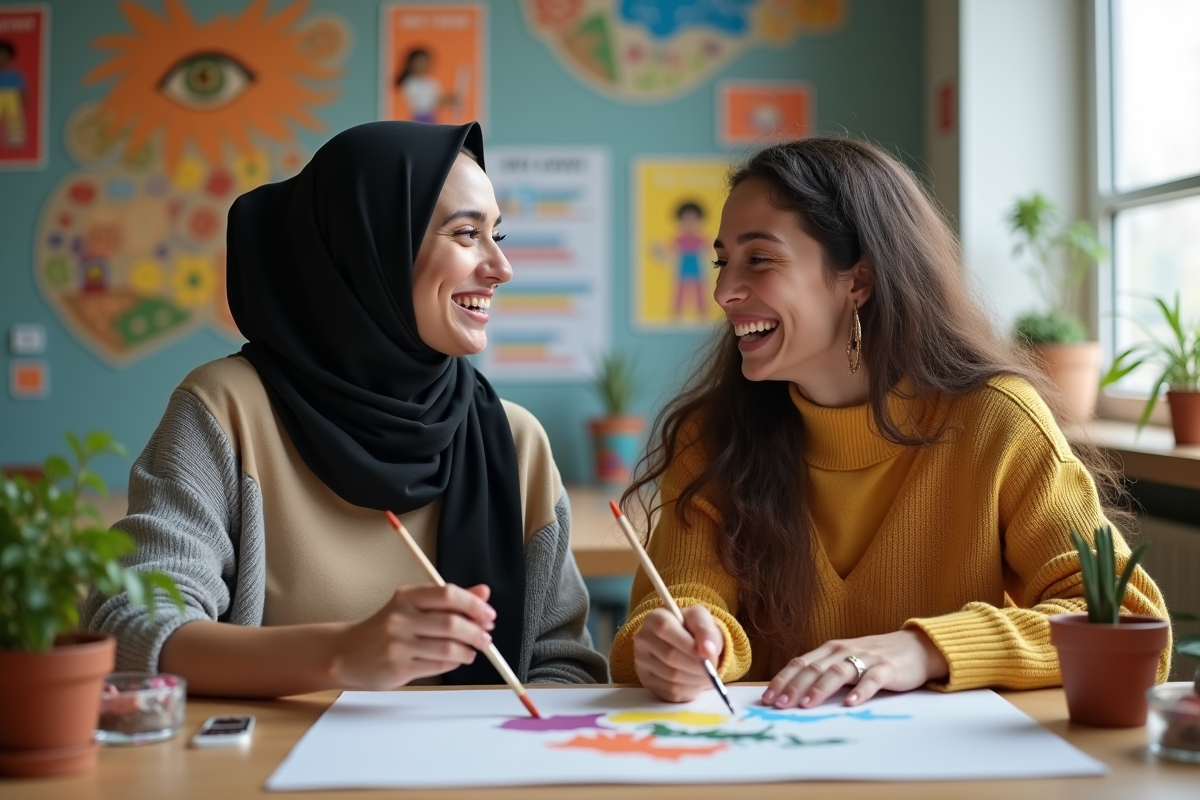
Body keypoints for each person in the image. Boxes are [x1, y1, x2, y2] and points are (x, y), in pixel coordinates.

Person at [609, 137, 1170, 708]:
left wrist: (924, 649)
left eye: (760, 259)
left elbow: (1122, 619)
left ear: (858, 280)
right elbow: (681, 596)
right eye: (723, 261)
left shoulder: (997, 422)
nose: (724, 291)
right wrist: (680, 646)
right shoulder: (710, 436)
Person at [84, 121, 607, 697]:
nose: (501, 268)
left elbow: (565, 670)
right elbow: (131, 627)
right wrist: (339, 655)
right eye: (465, 234)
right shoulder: (227, 409)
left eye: (497, 236)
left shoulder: (515, 441)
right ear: (372, 247)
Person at [395, 48, 456, 124]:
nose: (421, 65)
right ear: (410, 64)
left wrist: (449, 100)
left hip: (434, 118)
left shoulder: (432, 82)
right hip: (419, 118)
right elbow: (424, 103)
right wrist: (444, 101)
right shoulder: (409, 83)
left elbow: (439, 99)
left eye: (424, 62)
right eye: (418, 62)